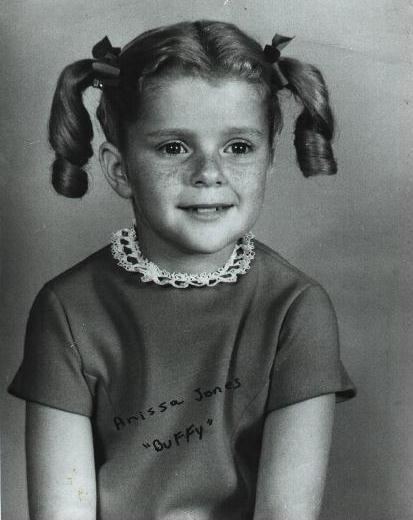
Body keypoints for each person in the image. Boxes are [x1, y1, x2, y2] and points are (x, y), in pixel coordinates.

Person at [8, 20, 356, 520]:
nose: (209, 173)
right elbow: (62, 510)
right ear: (119, 169)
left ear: (268, 163)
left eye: (238, 147)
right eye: (175, 147)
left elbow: (286, 512)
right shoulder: (67, 310)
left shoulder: (296, 309)